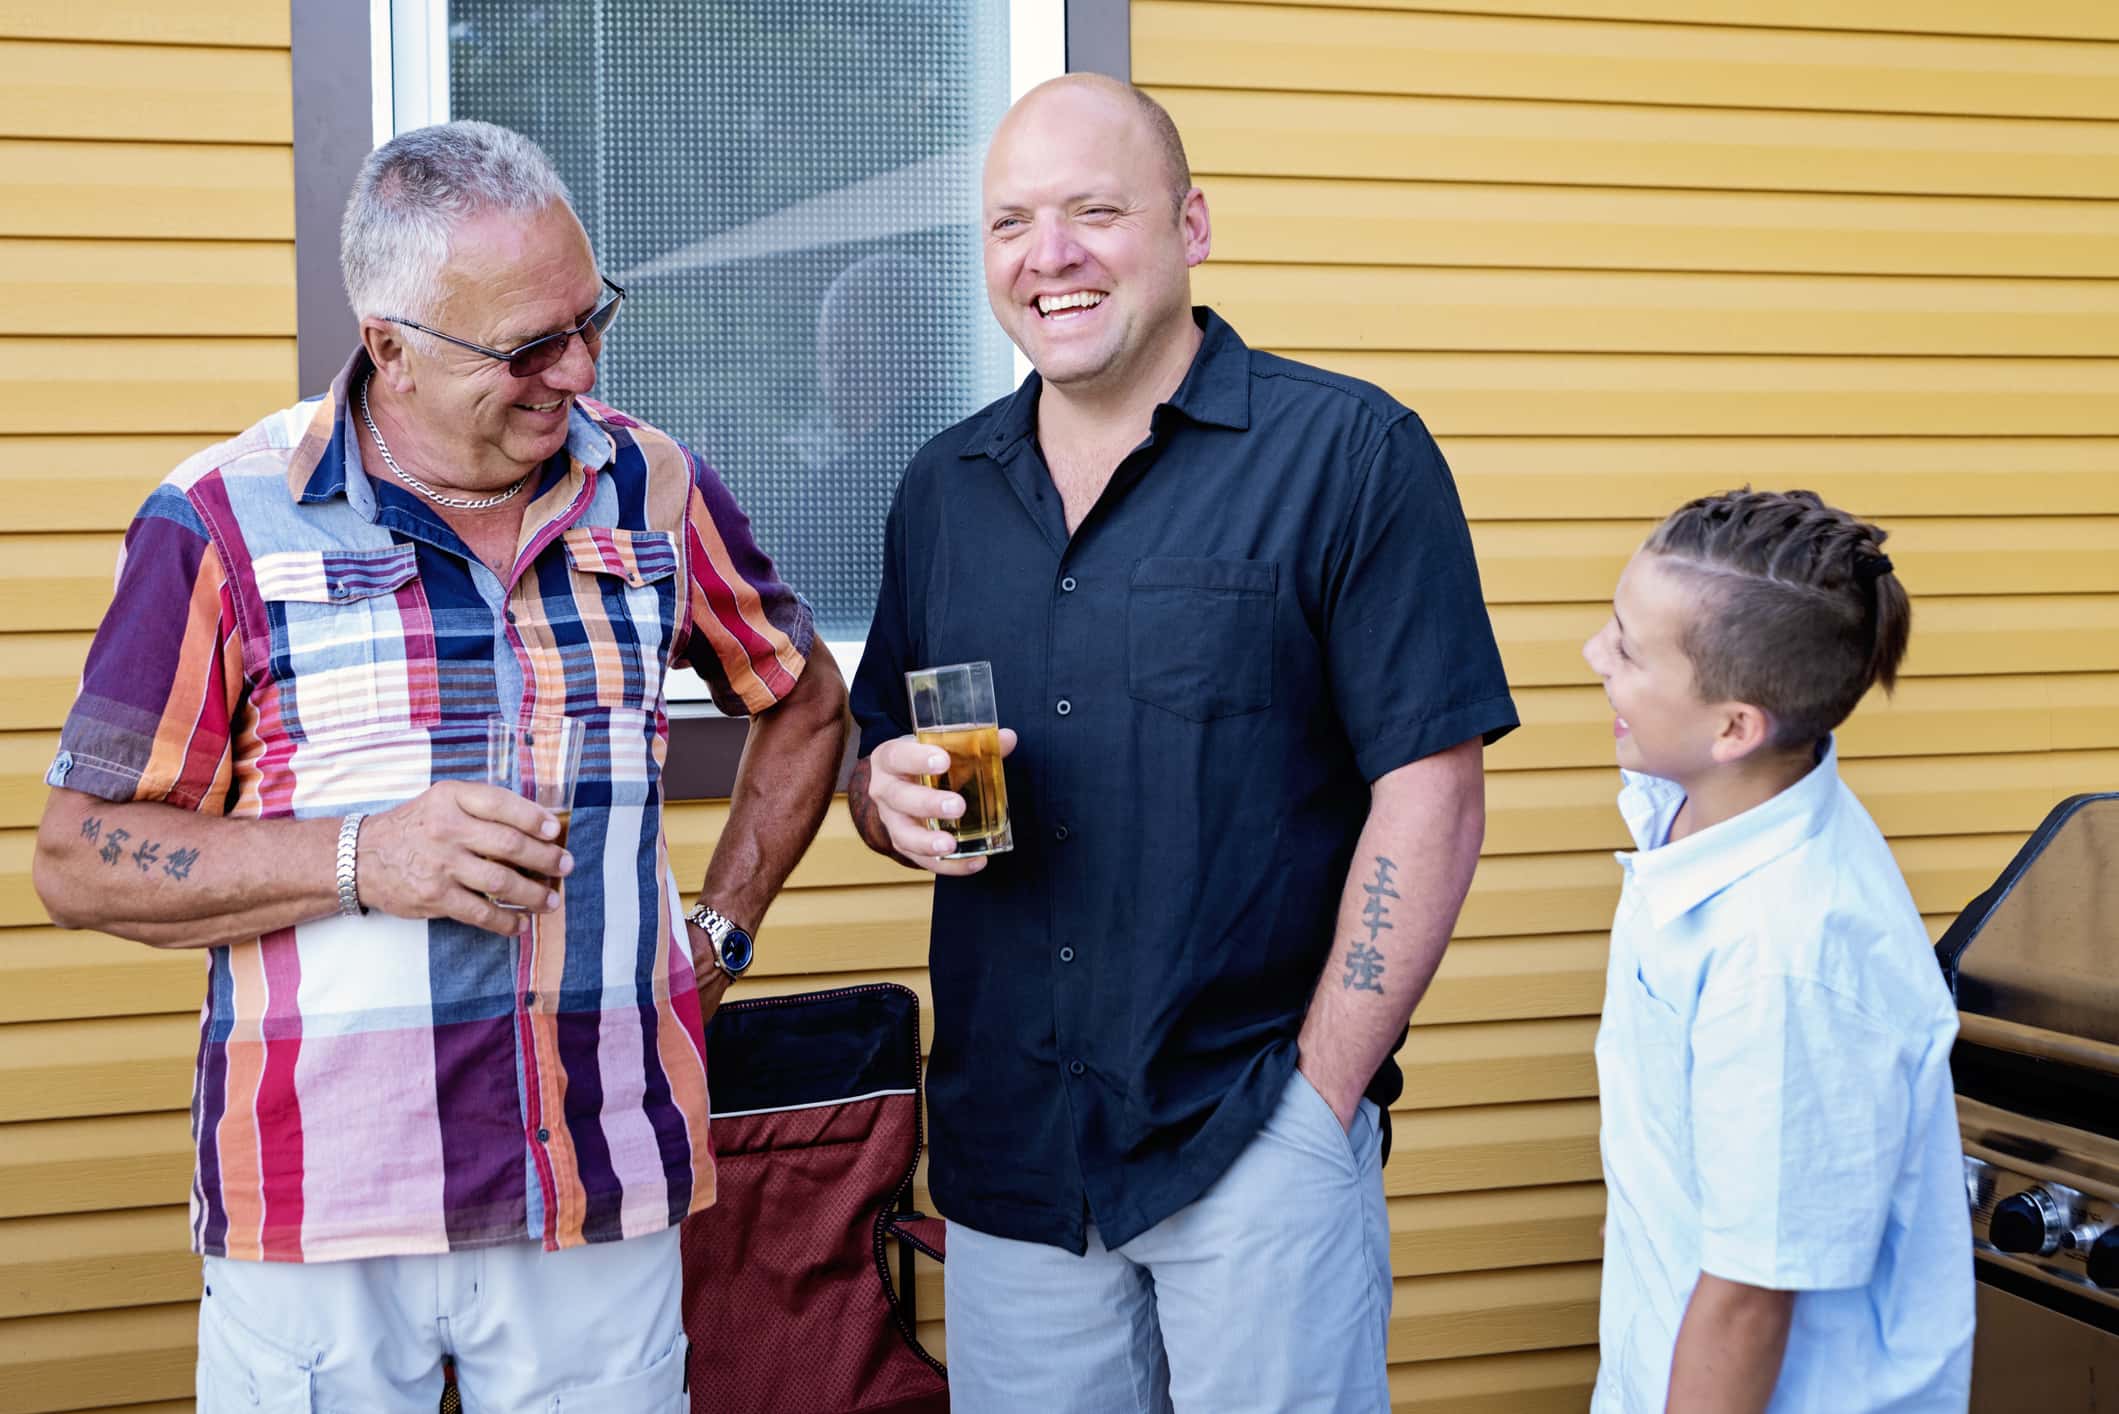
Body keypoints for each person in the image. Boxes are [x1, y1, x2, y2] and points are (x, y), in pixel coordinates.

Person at [31, 121, 847, 1411]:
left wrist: (720, 935)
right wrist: (366, 856)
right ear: (388, 346)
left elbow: (802, 701)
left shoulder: (653, 488)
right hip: (319, 1200)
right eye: (527, 347)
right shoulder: (221, 520)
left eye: (592, 319)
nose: (576, 372)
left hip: (598, 1173)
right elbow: (77, 857)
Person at [846, 75, 1517, 1410]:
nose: (1049, 256)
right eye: (1009, 223)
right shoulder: (940, 493)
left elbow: (1428, 790)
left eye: (1095, 210)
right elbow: (881, 754)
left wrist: (1317, 1098)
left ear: (1189, 223)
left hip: (1246, 1128)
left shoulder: (1349, 454)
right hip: (1014, 1162)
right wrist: (884, 796)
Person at [1580, 489, 1973, 1412]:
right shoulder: (1701, 807)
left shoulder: (1786, 959)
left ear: (1734, 728)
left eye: (1628, 649)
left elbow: (1751, 1294)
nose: (1595, 658)